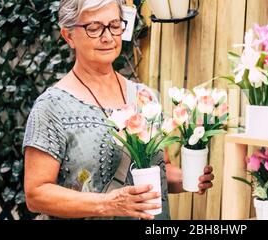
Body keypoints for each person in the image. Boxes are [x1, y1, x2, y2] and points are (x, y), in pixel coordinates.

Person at [23, 0, 214, 220]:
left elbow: (160, 169)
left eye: (114, 25)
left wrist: (188, 179)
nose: (108, 37)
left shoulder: (145, 98)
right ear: (68, 36)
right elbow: (36, 194)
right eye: (93, 28)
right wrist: (108, 204)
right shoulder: (52, 107)